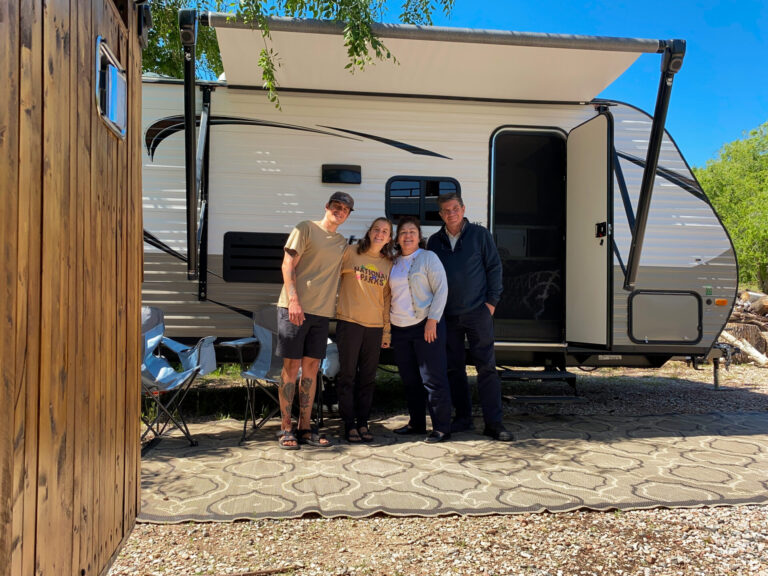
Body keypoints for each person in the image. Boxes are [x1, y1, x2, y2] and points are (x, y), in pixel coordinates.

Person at [426, 192, 513, 441]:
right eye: (446, 210)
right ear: (441, 214)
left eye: (455, 208)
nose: (451, 213)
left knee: (486, 368)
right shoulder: (434, 241)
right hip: (448, 315)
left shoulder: (480, 235)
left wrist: (491, 303)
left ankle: (493, 423)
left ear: (463, 209)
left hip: (478, 313)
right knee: (454, 369)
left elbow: (494, 267)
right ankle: (462, 419)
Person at [275, 191, 354, 449]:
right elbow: (288, 265)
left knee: (311, 370)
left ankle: (305, 426)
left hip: (321, 314)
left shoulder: (342, 242)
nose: (339, 211)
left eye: (345, 209)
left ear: (348, 215)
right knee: (291, 369)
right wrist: (294, 301)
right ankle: (286, 427)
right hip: (294, 309)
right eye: (336, 205)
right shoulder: (305, 228)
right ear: (327, 206)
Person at [389, 216, 452, 443]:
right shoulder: (393, 262)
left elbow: (441, 290)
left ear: (419, 236)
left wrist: (433, 320)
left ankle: (442, 427)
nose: (408, 236)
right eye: (403, 232)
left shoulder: (428, 258)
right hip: (400, 329)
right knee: (410, 380)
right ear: (397, 238)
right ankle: (416, 423)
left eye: (412, 232)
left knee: (432, 378)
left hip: (426, 326)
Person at [336, 218, 395, 443]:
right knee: (347, 376)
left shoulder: (388, 263)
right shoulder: (350, 253)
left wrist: (387, 332)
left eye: (385, 232)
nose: (380, 234)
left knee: (368, 378)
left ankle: (363, 422)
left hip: (375, 328)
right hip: (349, 323)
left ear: (389, 238)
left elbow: (387, 300)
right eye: (377, 229)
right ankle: (348, 424)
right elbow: (331, 279)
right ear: (369, 232)